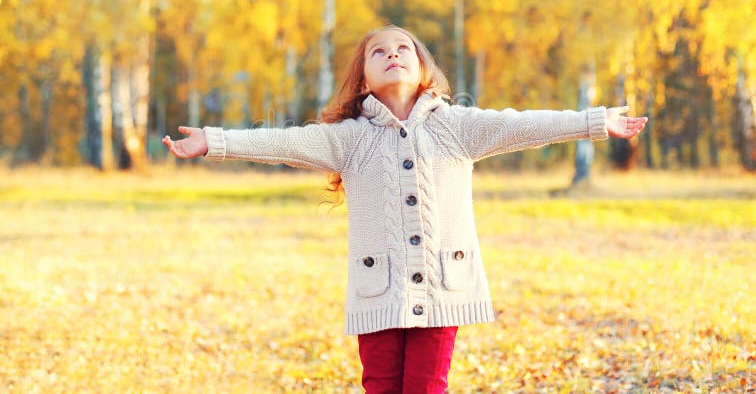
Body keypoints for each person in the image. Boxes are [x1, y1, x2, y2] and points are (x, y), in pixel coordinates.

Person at [162, 25, 647, 393]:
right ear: (364, 80)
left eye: (403, 49)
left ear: (423, 69)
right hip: (378, 292)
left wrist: (594, 122)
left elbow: (525, 126)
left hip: (441, 288)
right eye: (379, 51)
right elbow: (283, 140)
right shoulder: (348, 140)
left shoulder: (458, 126)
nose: (392, 54)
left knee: (424, 389)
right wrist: (214, 141)